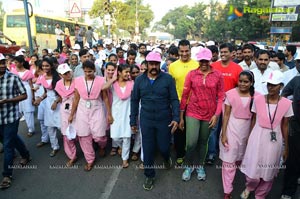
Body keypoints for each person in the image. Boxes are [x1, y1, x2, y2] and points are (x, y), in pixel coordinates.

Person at [240, 70, 293, 199]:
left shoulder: (286, 103)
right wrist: (249, 136)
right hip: (257, 136)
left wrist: (286, 147)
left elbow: (285, 125)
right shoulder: (258, 100)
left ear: (281, 86)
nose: (270, 87)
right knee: (252, 169)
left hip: (275, 139)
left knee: (269, 170)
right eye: (269, 84)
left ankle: (261, 195)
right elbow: (253, 119)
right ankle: (250, 186)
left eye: (274, 85)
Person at [130, 52, 179, 191]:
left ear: (159, 64)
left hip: (164, 119)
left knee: (164, 147)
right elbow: (134, 101)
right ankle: (149, 175)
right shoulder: (139, 80)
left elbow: (174, 99)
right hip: (146, 119)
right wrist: (133, 120)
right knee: (148, 149)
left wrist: (176, 118)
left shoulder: (168, 79)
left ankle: (166, 157)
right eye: (151, 64)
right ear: (146, 65)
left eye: (156, 64)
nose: (153, 67)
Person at [179, 48, 224, 182]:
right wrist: (181, 116)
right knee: (191, 142)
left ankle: (200, 166)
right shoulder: (192, 74)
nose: (204, 63)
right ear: (199, 60)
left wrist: (216, 115)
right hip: (193, 111)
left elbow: (221, 96)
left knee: (203, 141)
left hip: (210, 114)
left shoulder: (218, 75)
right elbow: (185, 95)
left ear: (210, 60)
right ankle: (188, 166)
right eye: (201, 60)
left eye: (206, 60)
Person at [68, 60, 113, 171]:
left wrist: (109, 114)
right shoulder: (78, 81)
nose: (88, 73)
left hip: (97, 107)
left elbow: (105, 98)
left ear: (95, 70)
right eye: (86, 71)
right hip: (83, 108)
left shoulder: (101, 80)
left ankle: (102, 145)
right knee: (84, 135)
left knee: (99, 135)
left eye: (90, 71)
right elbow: (76, 99)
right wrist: (72, 114)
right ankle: (90, 159)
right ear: (83, 70)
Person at [220, 71, 258, 199]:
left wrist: (251, 135)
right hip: (232, 129)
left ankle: (249, 187)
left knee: (247, 160)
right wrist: (224, 134)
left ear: (251, 83)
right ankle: (227, 191)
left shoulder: (257, 96)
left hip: (248, 130)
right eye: (240, 81)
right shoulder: (230, 94)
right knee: (229, 161)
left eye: (246, 82)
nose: (242, 84)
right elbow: (226, 115)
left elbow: (254, 118)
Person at [207, 43, 243, 165]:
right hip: (214, 103)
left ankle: (227, 151)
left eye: (225, 52)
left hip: (230, 105)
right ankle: (211, 153)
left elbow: (240, 87)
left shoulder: (237, 69)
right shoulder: (212, 66)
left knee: (227, 128)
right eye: (221, 52)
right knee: (213, 128)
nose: (222, 54)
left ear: (232, 53)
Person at [0, 53, 31, 189]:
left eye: (3, 62)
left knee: (7, 145)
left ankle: (7, 175)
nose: (2, 66)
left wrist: (8, 101)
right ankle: (25, 154)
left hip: (11, 117)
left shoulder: (13, 78)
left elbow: (24, 95)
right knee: (10, 139)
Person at [169, 39, 199, 165]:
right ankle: (180, 154)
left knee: (191, 131)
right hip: (178, 102)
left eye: (187, 51)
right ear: (178, 51)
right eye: (182, 51)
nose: (185, 53)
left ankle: (191, 153)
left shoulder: (197, 65)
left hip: (194, 102)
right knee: (178, 130)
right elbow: (171, 86)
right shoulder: (172, 66)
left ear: (190, 51)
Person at [280, 56, 300, 199]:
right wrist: (289, 111)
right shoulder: (297, 80)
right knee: (292, 158)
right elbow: (284, 93)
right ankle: (288, 190)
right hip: (296, 126)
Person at [34, 58, 61, 157]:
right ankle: (55, 146)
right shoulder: (42, 77)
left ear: (51, 66)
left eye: (47, 66)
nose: (45, 68)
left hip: (59, 102)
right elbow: (46, 92)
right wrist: (40, 99)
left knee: (61, 126)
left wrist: (56, 101)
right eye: (43, 66)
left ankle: (70, 144)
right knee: (50, 126)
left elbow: (63, 93)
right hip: (48, 103)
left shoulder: (58, 77)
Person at [110, 64, 134, 168]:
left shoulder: (131, 83)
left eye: (129, 72)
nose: (128, 74)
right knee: (115, 136)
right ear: (119, 72)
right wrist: (113, 79)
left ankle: (125, 158)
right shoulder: (113, 84)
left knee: (127, 136)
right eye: (126, 72)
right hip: (116, 112)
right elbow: (103, 87)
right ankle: (120, 147)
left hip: (127, 112)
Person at [55, 63, 77, 167]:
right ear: (60, 75)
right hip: (64, 110)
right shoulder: (59, 84)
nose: (68, 74)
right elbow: (60, 97)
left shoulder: (78, 82)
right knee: (66, 134)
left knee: (82, 133)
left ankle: (90, 151)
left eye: (68, 72)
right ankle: (72, 156)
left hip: (78, 109)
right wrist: (55, 102)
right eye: (65, 73)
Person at [10, 56, 35, 137]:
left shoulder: (28, 72)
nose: (15, 64)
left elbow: (31, 84)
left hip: (26, 90)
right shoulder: (13, 71)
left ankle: (31, 128)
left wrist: (33, 96)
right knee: (19, 109)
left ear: (22, 63)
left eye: (17, 62)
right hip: (16, 91)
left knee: (28, 110)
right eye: (15, 62)